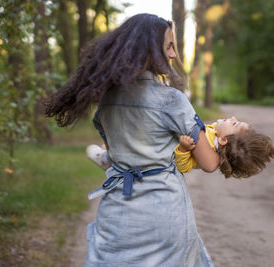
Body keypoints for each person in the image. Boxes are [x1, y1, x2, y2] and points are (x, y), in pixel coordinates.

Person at [45, 13, 217, 266]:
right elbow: (209, 163)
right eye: (169, 46)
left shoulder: (107, 98)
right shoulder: (171, 100)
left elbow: (115, 151)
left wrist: (108, 158)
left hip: (118, 211)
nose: (173, 55)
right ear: (150, 48)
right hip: (164, 211)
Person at [87, 116, 274, 178]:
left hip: (159, 154)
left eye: (235, 124)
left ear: (225, 140)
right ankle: (112, 153)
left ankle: (108, 159)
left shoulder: (210, 151)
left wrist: (185, 150)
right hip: (161, 140)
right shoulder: (215, 138)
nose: (233, 118)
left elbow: (184, 167)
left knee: (135, 141)